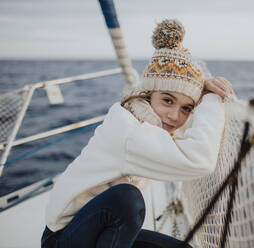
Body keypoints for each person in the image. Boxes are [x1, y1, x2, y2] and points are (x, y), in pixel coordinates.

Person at [41, 19, 234, 248]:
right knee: (127, 198)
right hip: (63, 239)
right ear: (148, 93)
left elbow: (190, 135)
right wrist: (212, 100)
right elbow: (199, 160)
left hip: (97, 227)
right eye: (167, 100)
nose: (174, 116)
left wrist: (201, 93)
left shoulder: (142, 117)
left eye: (186, 108)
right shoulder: (129, 131)